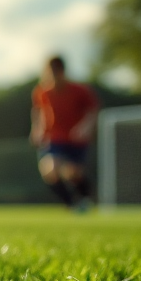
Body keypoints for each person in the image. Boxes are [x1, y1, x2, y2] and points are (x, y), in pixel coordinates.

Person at [31, 55, 99, 210]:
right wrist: (37, 129)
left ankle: (85, 199)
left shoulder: (80, 90)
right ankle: (71, 205)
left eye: (56, 72)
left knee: (73, 173)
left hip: (76, 139)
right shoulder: (42, 92)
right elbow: (38, 112)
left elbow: (92, 111)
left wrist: (85, 127)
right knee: (50, 170)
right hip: (54, 137)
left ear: (62, 71)